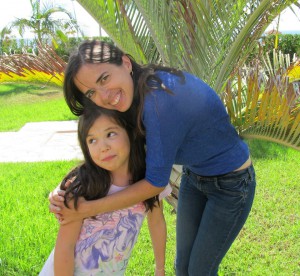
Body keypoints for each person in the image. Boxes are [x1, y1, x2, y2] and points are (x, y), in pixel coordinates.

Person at [49, 40, 256, 275]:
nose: (104, 96)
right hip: (195, 176)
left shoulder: (158, 101)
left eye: (104, 78)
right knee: (183, 268)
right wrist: (64, 188)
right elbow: (107, 148)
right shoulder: (133, 94)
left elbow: (155, 184)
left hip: (232, 184)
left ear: (126, 63)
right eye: (91, 92)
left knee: (199, 270)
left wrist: (87, 209)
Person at [41, 102, 171, 275]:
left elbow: (156, 222)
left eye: (110, 134)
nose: (103, 147)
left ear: (131, 132)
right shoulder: (83, 186)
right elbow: (65, 246)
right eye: (92, 140)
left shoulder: (148, 182)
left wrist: (160, 268)